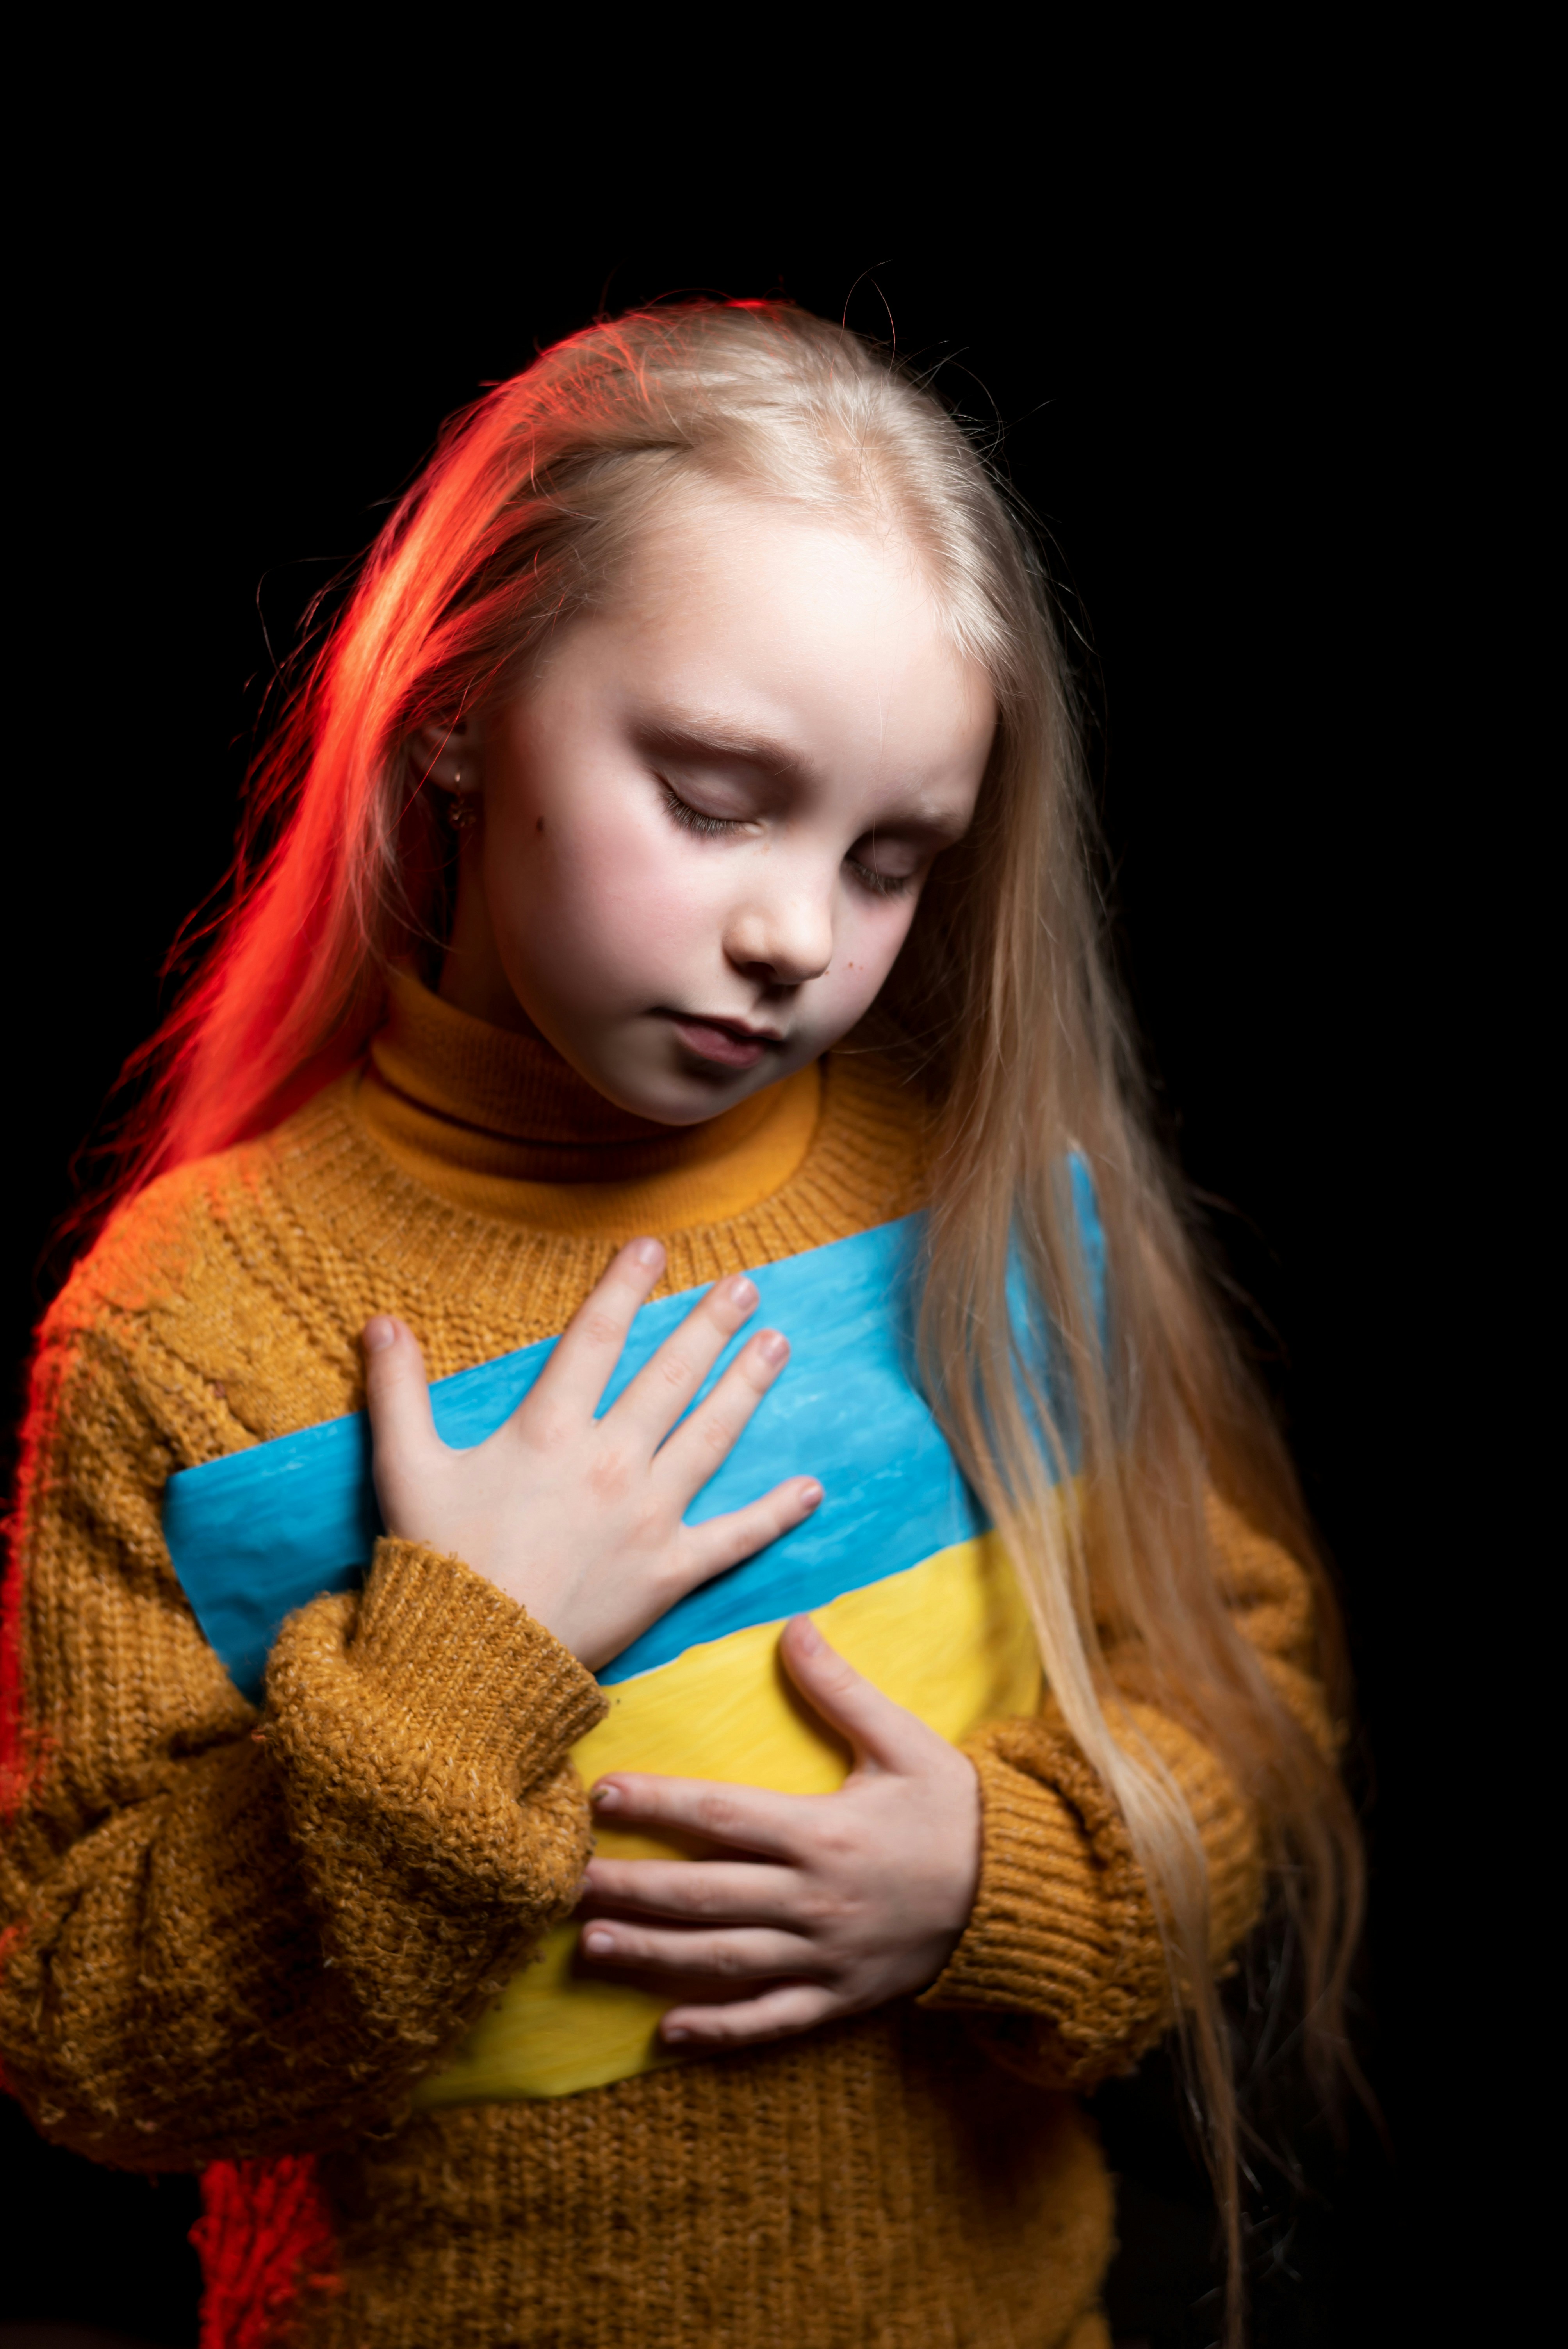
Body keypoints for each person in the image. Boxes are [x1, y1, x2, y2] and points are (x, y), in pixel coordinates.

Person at [0, 301, 1361, 2349]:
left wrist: (999, 1872)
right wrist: (468, 1665)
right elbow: (84, 2043)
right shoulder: (194, 1331)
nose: (798, 932)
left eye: (892, 860)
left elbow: (1243, 1672)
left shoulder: (973, 1196)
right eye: (719, 800)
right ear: (456, 703)